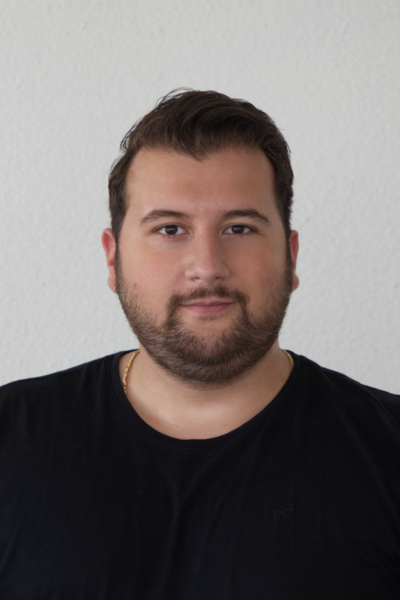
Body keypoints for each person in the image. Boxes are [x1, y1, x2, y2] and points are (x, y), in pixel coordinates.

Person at [0, 89, 399, 600]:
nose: (207, 267)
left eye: (239, 228)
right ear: (113, 258)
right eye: (170, 229)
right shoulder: (11, 437)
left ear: (291, 255)